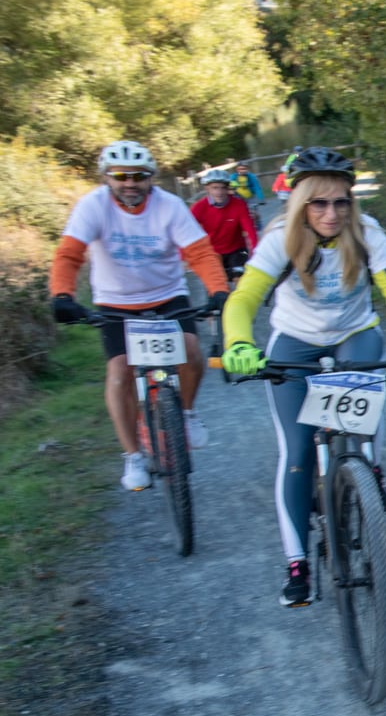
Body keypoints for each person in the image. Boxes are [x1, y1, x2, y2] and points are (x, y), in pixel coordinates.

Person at [219, 147, 386, 607]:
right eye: (319, 203)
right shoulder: (278, 238)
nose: (331, 213)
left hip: (355, 333)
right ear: (301, 203)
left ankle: (368, 468)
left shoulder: (368, 233)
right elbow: (244, 298)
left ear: (352, 203)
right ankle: (297, 561)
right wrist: (238, 344)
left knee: (362, 413)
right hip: (295, 341)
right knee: (297, 453)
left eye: (341, 202)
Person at [50, 140, 230, 491]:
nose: (129, 183)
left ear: (151, 178)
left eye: (138, 176)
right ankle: (132, 454)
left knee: (191, 351)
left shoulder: (169, 206)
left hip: (167, 296)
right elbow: (69, 255)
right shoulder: (92, 206)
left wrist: (217, 290)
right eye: (120, 176)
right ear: (107, 178)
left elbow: (201, 254)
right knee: (119, 372)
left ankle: (187, 414)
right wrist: (62, 295)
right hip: (115, 302)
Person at [190, 168, 258, 275]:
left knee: (240, 278)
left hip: (237, 249)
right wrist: (184, 256)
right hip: (212, 251)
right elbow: (186, 231)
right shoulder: (199, 207)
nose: (219, 192)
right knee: (216, 286)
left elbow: (250, 230)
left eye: (223, 188)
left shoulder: (239, 205)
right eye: (215, 188)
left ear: (227, 188)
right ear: (207, 188)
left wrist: (256, 251)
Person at [230, 160, 265, 229]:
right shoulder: (233, 176)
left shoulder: (251, 177)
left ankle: (258, 222)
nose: (242, 171)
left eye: (244, 169)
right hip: (239, 197)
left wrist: (261, 198)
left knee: (254, 212)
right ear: (237, 169)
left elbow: (257, 187)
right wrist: (234, 187)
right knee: (239, 212)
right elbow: (230, 184)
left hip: (250, 196)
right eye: (240, 169)